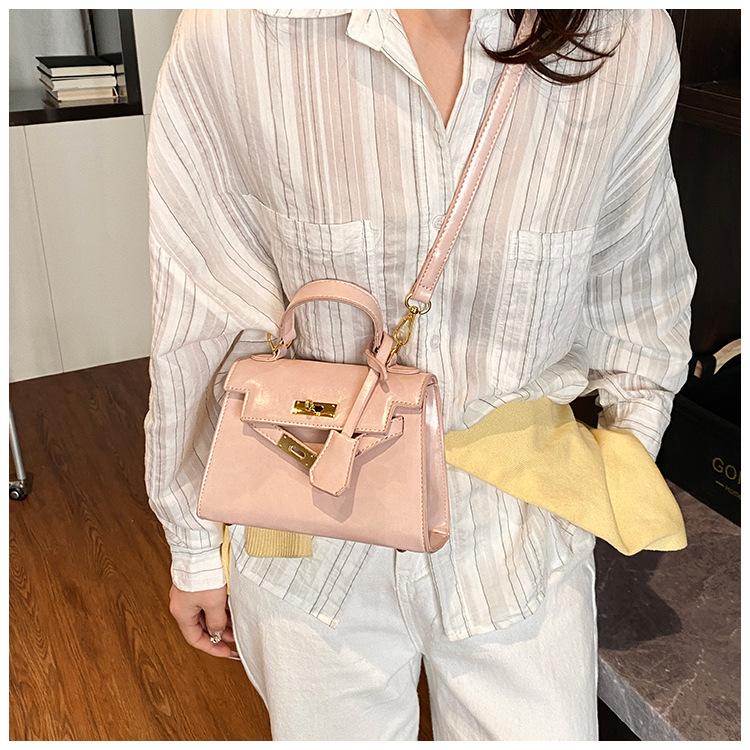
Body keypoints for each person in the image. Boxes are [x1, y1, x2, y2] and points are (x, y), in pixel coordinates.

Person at [144, 9, 697, 741]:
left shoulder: (620, 30)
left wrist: (612, 471)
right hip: (303, 530)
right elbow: (201, 312)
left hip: (521, 532)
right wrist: (193, 545)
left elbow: (637, 285)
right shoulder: (236, 29)